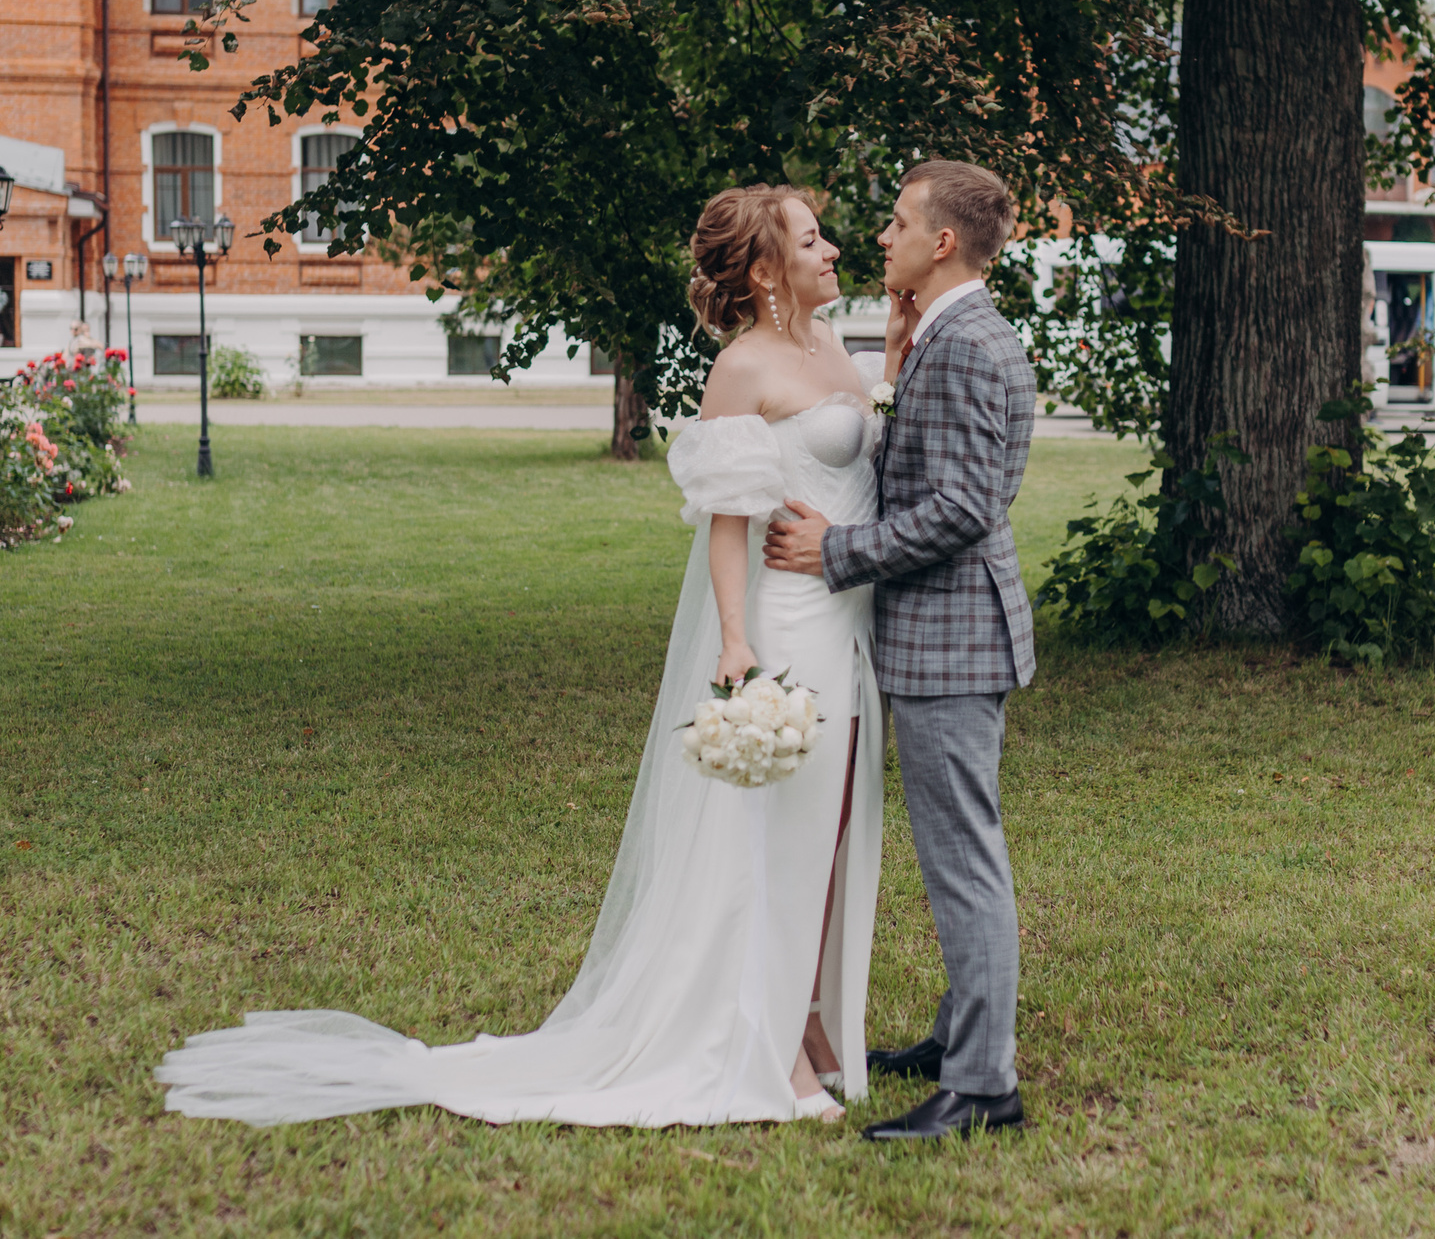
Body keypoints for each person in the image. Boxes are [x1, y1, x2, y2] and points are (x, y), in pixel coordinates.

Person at [155, 183, 884, 1127]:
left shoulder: (836, 344)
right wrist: (738, 638)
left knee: (828, 835)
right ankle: (770, 1043)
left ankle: (816, 1022)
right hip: (788, 621)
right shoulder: (743, 367)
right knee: (773, 843)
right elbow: (729, 523)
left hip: (850, 619)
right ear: (762, 268)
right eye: (812, 240)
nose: (833, 251)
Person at [763, 158, 1037, 1143]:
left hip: (952, 639)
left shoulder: (962, 345)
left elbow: (962, 508)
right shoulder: (946, 330)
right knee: (964, 851)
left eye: (895, 220)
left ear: (943, 241)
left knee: (964, 860)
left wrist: (837, 551)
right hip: (949, 633)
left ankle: (982, 1089)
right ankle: (961, 1037)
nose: (879, 236)